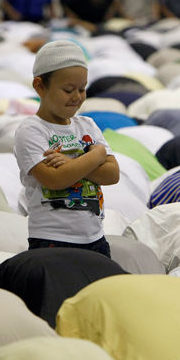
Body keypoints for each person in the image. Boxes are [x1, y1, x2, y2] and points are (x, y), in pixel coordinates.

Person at [13, 40, 120, 257]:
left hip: (95, 237)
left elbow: (113, 174)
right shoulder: (31, 129)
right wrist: (96, 155)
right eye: (68, 89)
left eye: (82, 89)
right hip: (51, 239)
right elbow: (55, 179)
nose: (77, 96)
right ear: (40, 86)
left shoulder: (87, 125)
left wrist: (72, 164)